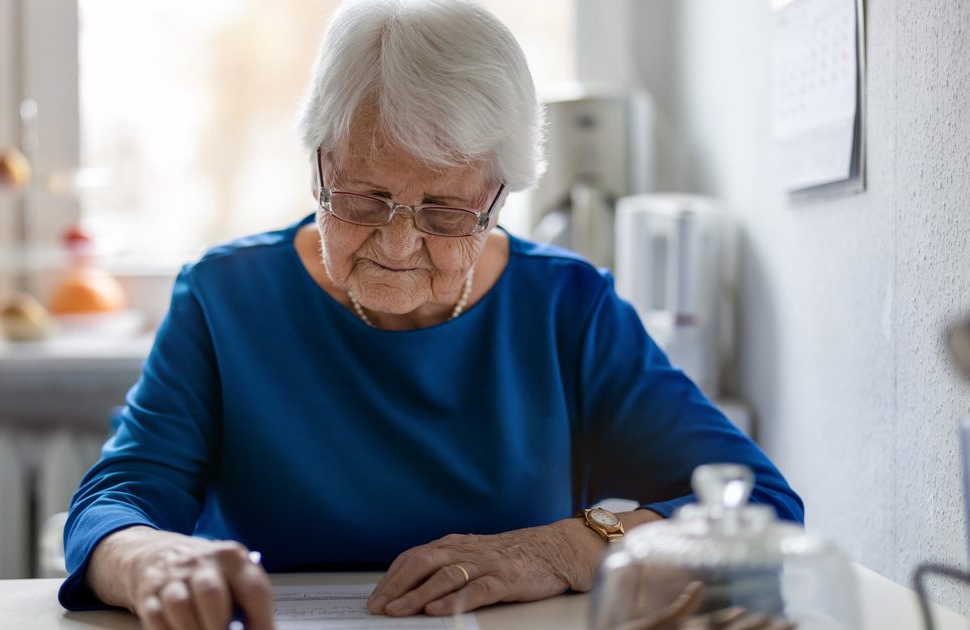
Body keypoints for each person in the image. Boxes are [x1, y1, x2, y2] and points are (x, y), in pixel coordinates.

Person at [58, 1, 804, 628]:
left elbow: (761, 506)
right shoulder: (226, 297)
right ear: (317, 160)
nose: (396, 242)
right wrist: (149, 555)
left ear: (499, 199)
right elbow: (116, 500)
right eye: (360, 198)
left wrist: (563, 549)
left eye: (445, 211)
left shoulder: (565, 308)